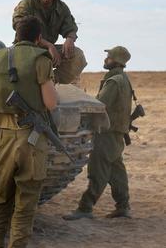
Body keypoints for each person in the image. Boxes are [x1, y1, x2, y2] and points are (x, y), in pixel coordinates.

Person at [0, 16, 58, 248]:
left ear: (16, 35)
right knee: (25, 202)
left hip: (3, 137)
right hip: (31, 141)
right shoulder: (41, 59)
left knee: (1, 196)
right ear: (38, 38)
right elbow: (51, 103)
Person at [63, 46, 133, 220]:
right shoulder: (123, 79)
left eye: (108, 57)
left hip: (106, 132)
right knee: (116, 171)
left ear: (115, 60)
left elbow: (99, 105)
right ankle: (123, 206)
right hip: (116, 133)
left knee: (98, 170)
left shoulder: (114, 81)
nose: (106, 59)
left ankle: (85, 208)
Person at [12, 0, 87, 84]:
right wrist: (48, 45)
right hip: (26, 49)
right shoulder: (28, 4)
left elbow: (70, 26)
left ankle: (50, 82)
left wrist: (70, 39)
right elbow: (19, 26)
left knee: (78, 56)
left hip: (47, 52)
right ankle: (33, 83)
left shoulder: (62, 8)